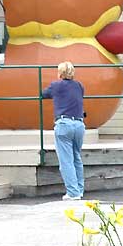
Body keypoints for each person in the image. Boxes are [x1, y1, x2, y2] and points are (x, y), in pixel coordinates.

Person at [42, 61, 85, 201]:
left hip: (64, 123)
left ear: (60, 73)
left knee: (66, 160)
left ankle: (73, 193)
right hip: (79, 124)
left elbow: (43, 94)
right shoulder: (79, 86)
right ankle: (79, 189)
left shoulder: (56, 85)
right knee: (76, 157)